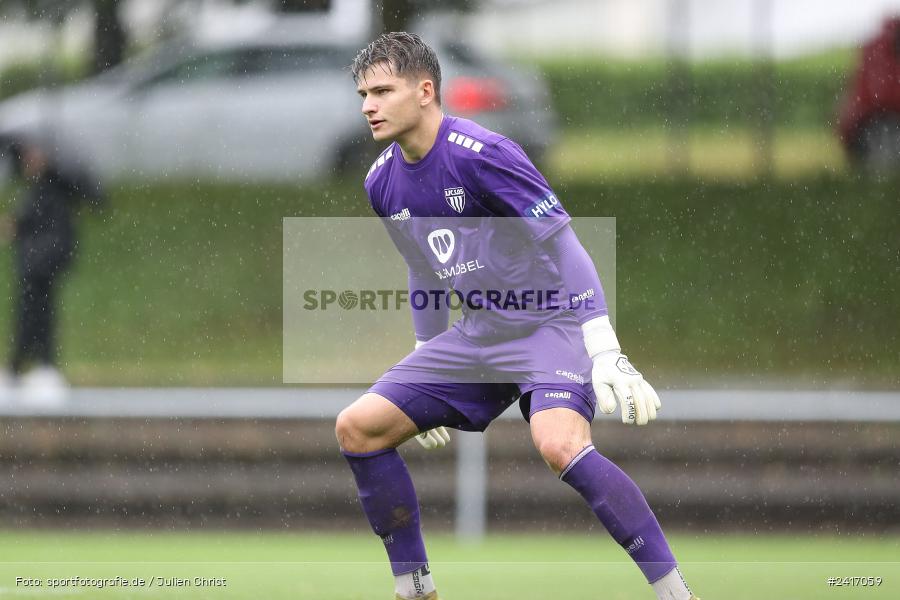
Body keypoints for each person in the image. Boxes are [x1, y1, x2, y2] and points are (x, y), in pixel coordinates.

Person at [335, 33, 700, 600]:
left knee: (558, 444)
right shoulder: (381, 180)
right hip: (477, 334)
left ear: (426, 91)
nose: (368, 106)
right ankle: (416, 591)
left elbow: (564, 245)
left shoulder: (485, 154)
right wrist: (423, 353)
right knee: (357, 428)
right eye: (363, 93)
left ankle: (676, 593)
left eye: (382, 90)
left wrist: (604, 347)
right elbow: (426, 270)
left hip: (547, 326)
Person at [1, 138, 102, 403]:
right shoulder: (36, 189)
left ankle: (36, 369)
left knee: (36, 313)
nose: (28, 161)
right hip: (35, 261)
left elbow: (92, 199)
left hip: (43, 261)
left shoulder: (56, 183)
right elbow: (23, 222)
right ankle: (26, 368)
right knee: (32, 312)